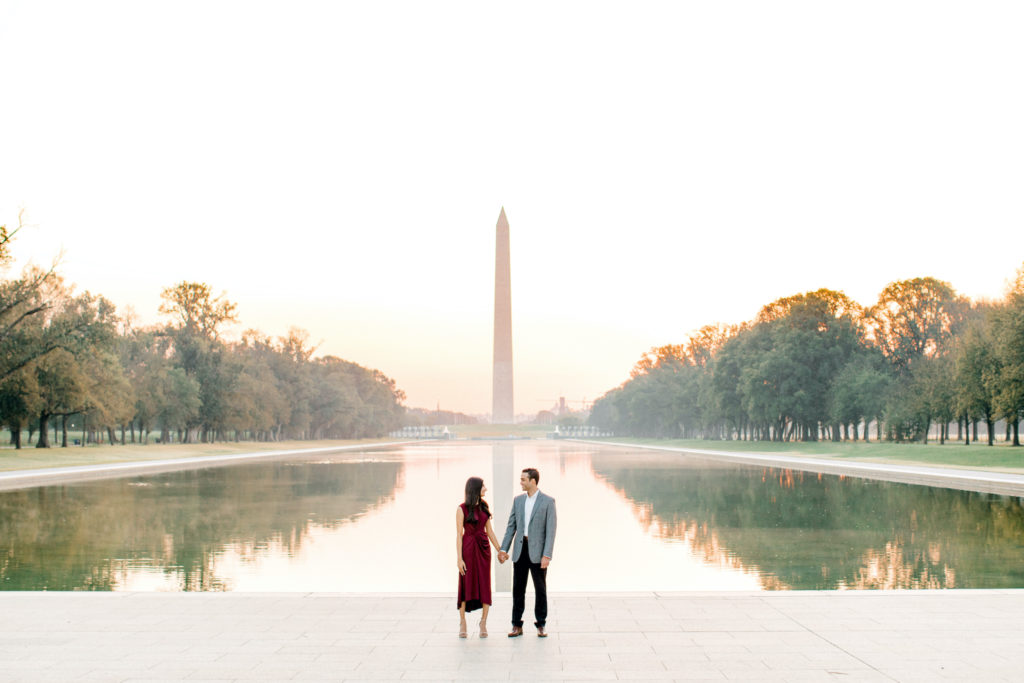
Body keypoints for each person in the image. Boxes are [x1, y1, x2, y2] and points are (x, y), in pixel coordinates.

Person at [500, 467, 557, 637]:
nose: (520, 482)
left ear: (533, 481)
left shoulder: (548, 502)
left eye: (523, 479)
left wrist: (547, 555)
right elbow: (511, 526)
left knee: (540, 589)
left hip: (538, 552)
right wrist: (504, 549)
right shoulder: (518, 501)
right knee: (518, 589)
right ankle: (516, 625)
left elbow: (551, 530)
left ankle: (541, 624)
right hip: (520, 550)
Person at [456, 476, 504, 638]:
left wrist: (500, 550)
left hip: (484, 549)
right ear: (476, 488)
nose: (486, 489)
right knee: (466, 582)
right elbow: (458, 535)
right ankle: (463, 621)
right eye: (483, 486)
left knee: (484, 583)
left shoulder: (484, 507)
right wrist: (459, 558)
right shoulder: (461, 509)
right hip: (468, 549)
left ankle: (483, 622)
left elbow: (489, 531)